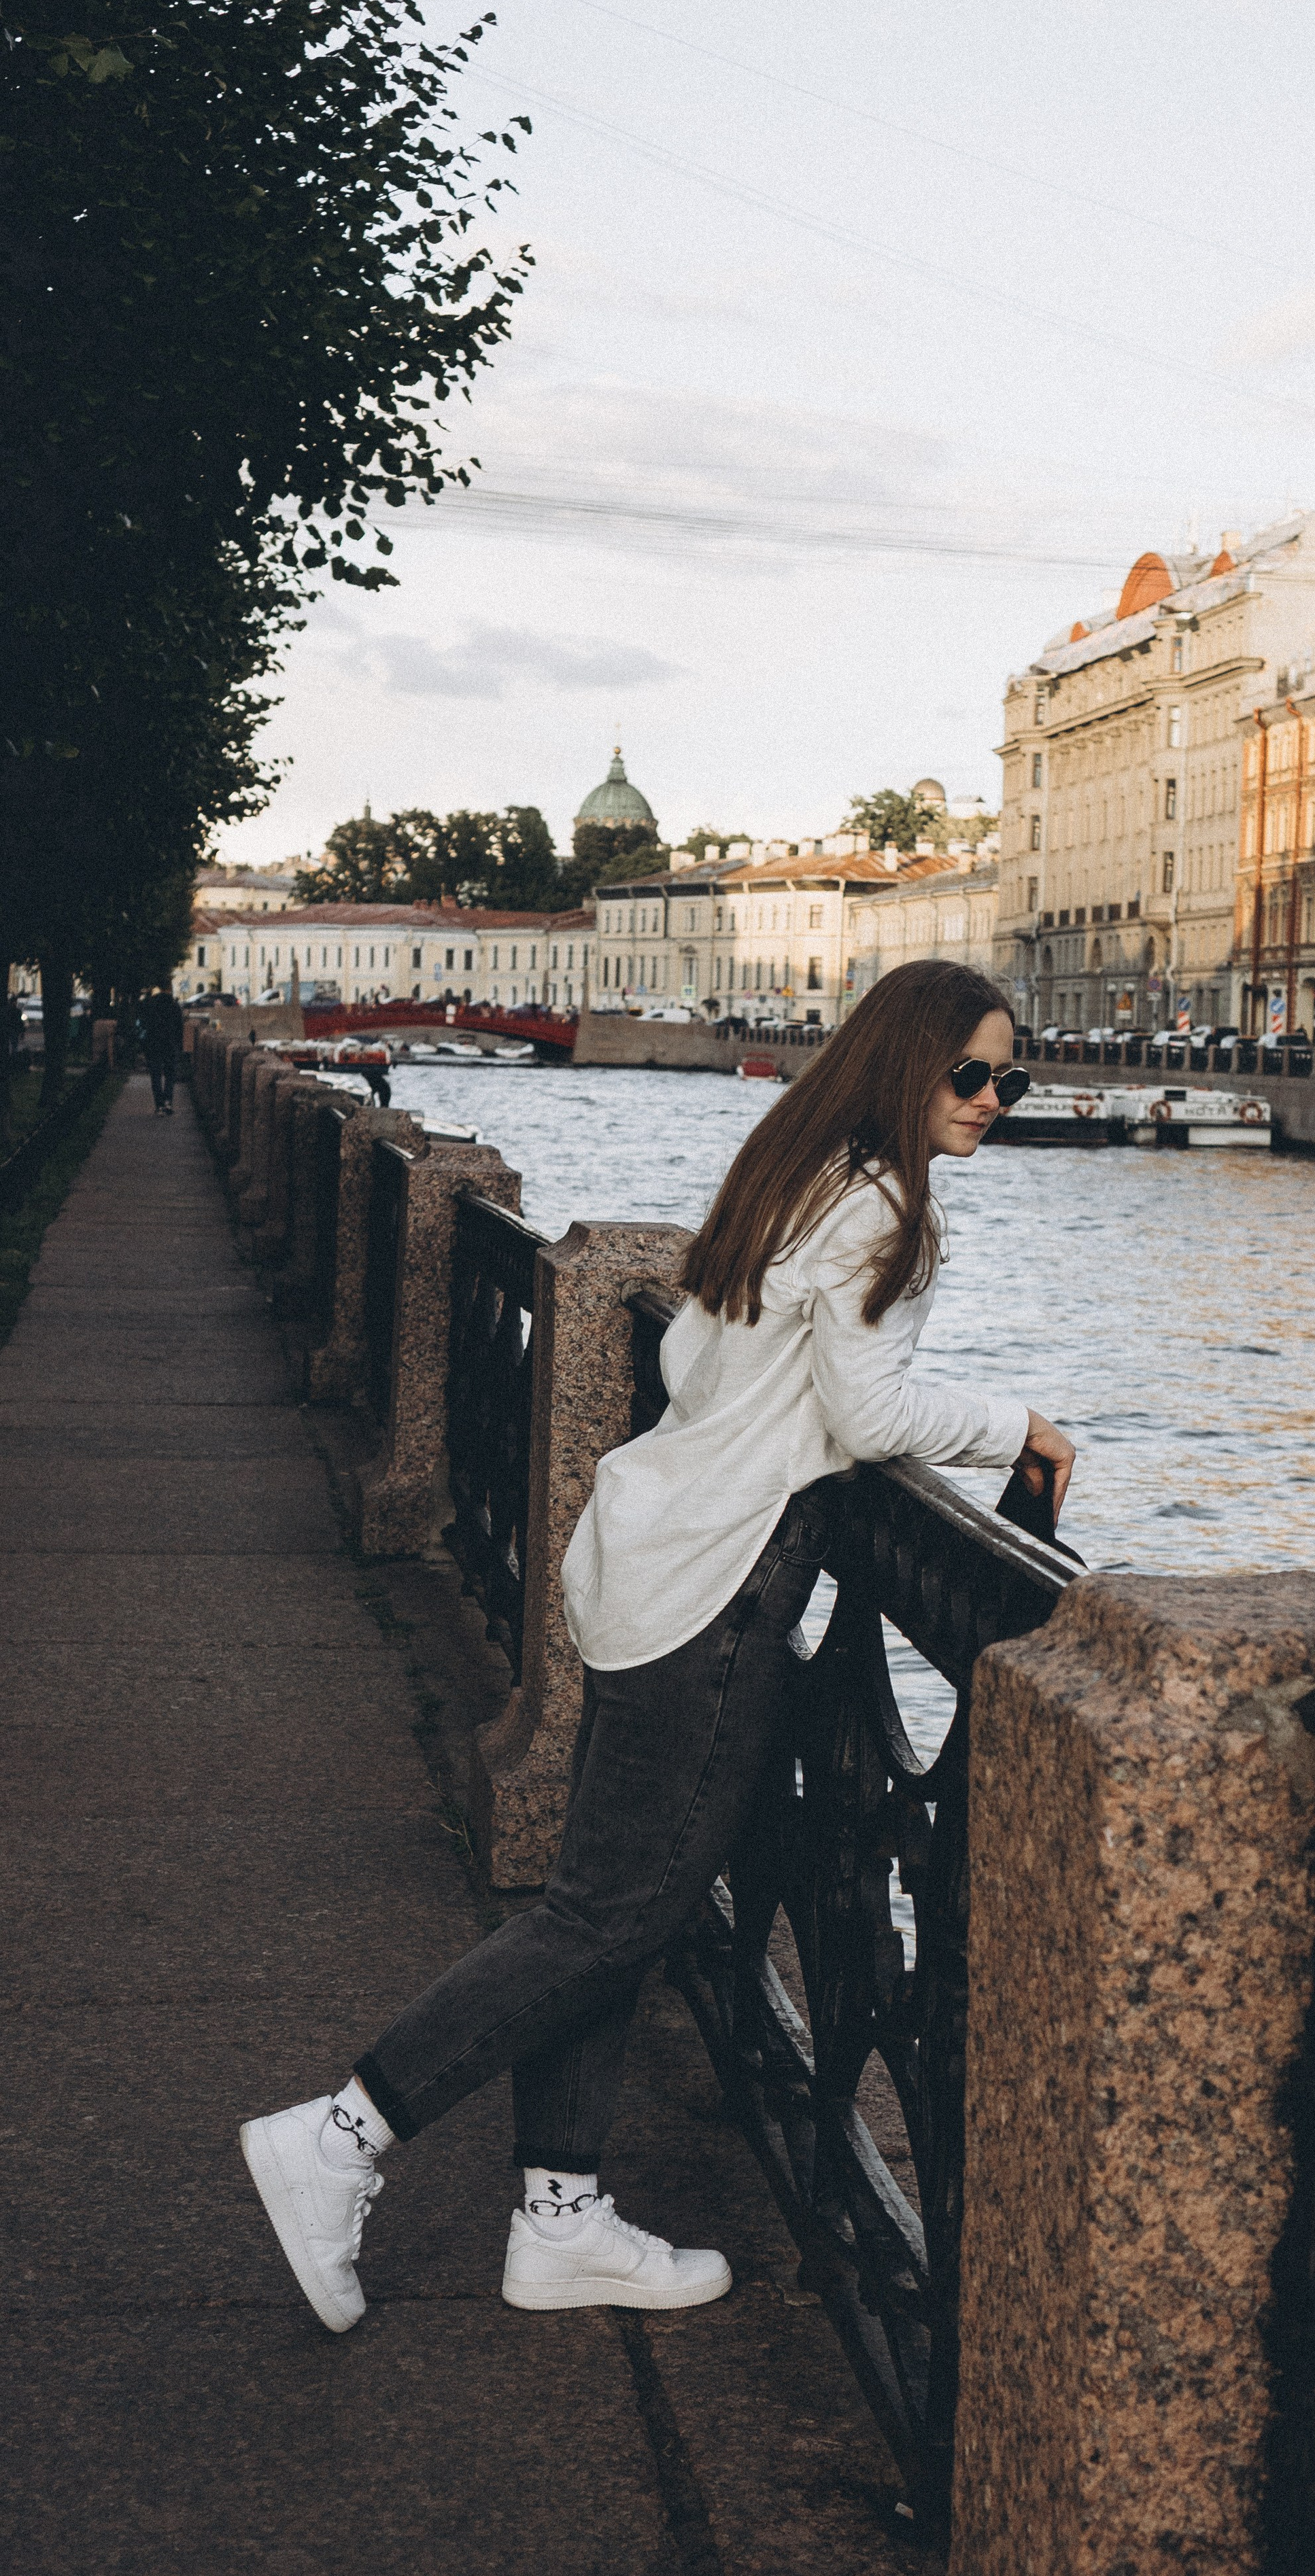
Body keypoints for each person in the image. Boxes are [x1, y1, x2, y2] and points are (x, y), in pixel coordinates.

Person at [239, 962, 1071, 2331]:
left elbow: (690, 1365)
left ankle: (560, 2216)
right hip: (717, 1590)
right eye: (970, 1074)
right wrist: (1017, 1426)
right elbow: (868, 1416)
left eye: (1009, 1080)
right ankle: (340, 2138)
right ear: (904, 1064)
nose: (992, 1099)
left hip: (646, 1556)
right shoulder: (886, 1208)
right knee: (612, 1916)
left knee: (605, 1907)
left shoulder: (787, 1175)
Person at [140, 986, 184, 1115]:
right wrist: (179, 1045)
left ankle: (159, 1106)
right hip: (170, 1044)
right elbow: (179, 1028)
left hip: (153, 1044)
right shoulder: (174, 1005)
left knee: (156, 1075)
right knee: (170, 1075)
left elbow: (144, 1024)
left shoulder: (150, 1004)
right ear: (169, 989)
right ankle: (168, 1102)